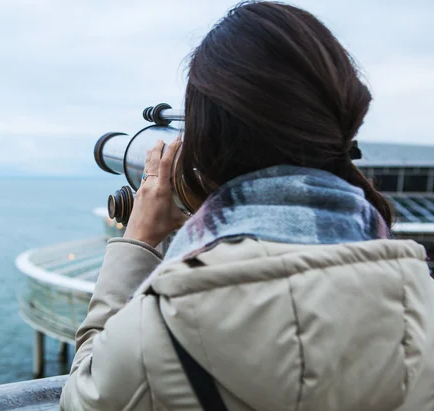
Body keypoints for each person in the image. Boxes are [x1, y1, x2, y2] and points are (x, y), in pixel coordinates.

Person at [60, 2, 434, 410]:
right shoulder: (421, 296)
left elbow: (84, 398)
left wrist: (138, 241)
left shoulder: (162, 326)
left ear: (206, 142)